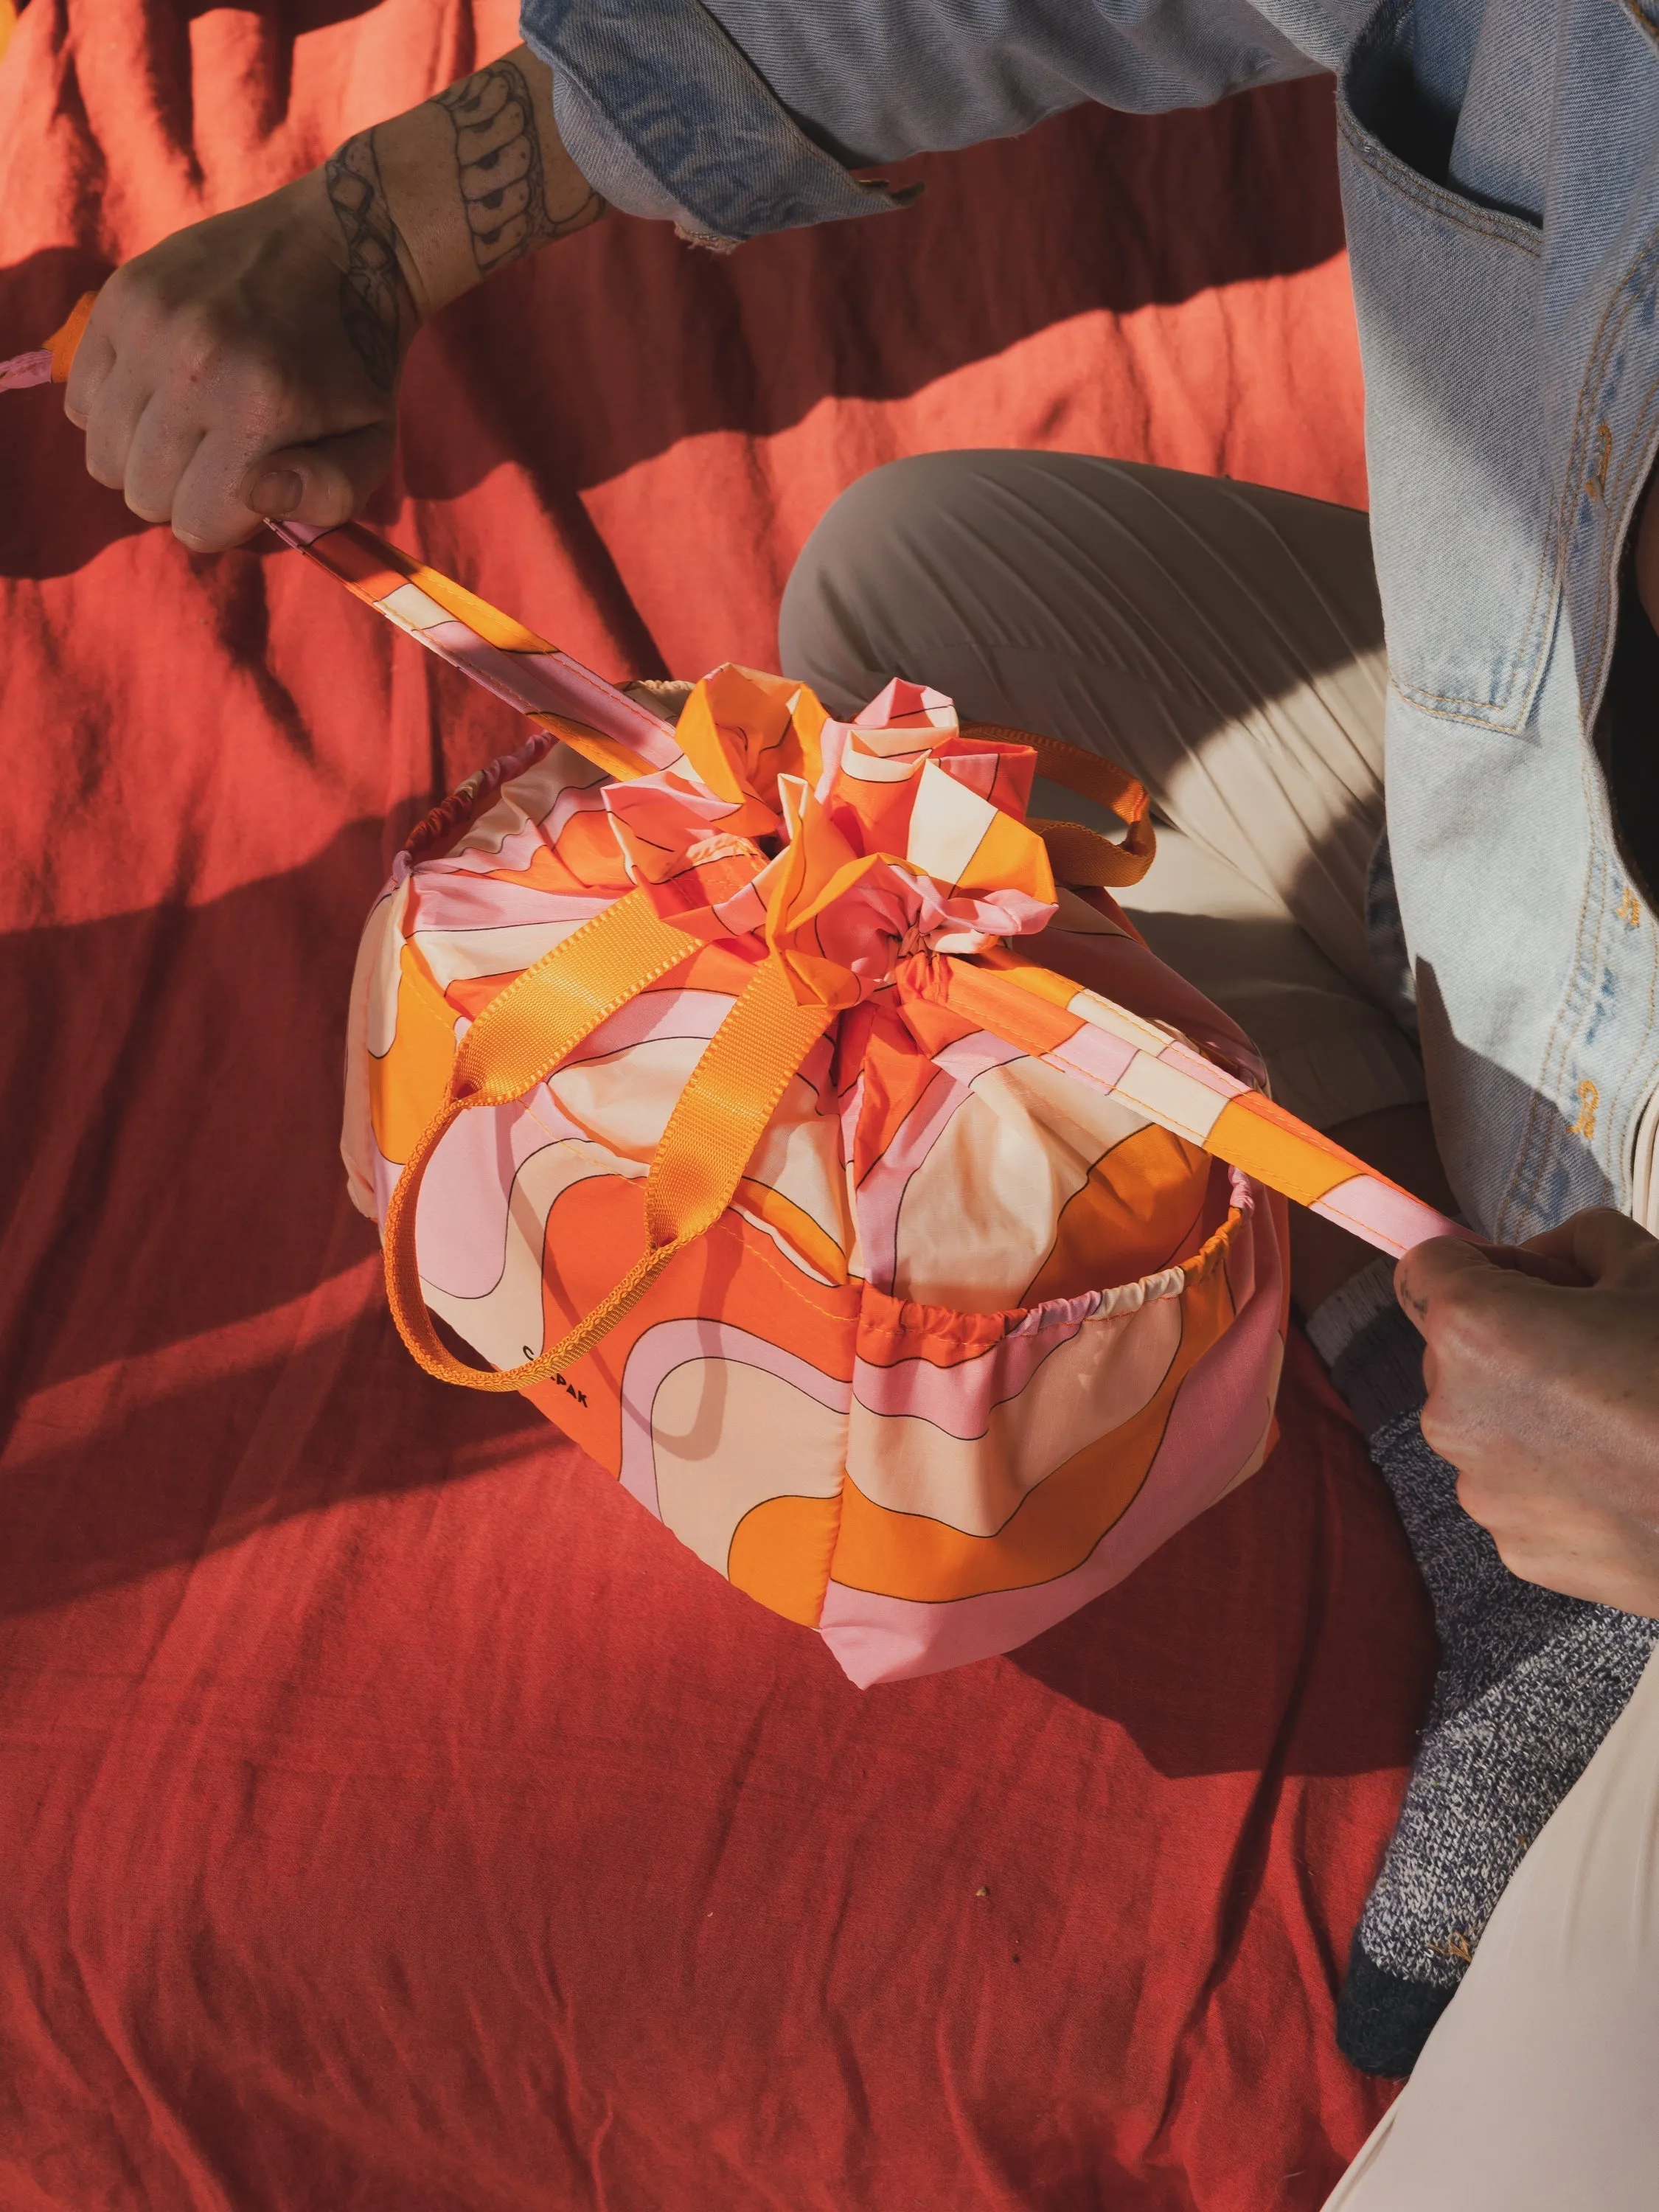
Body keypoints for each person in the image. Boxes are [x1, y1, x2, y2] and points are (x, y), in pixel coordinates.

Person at [54, 9, 1659, 2201]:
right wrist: (378, 228)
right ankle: (1468, 1397)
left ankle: (1600, 1575)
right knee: (922, 586)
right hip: (1581, 837)